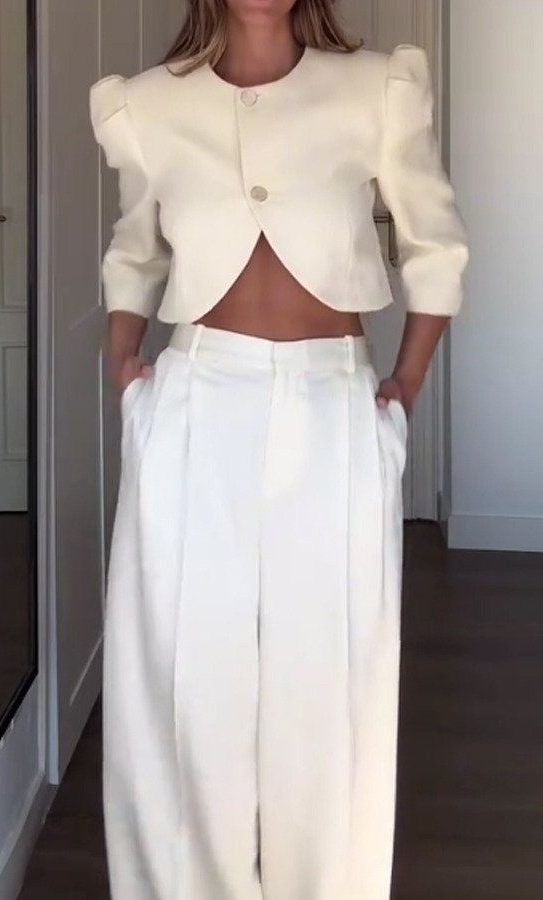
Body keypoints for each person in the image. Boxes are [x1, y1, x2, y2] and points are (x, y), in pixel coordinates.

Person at [89, 1, 468, 898]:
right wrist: (126, 374)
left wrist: (405, 387)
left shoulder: (377, 88)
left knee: (330, 688)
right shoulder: (146, 105)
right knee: (182, 687)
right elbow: (135, 251)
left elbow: (436, 244)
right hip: (195, 401)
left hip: (332, 403)